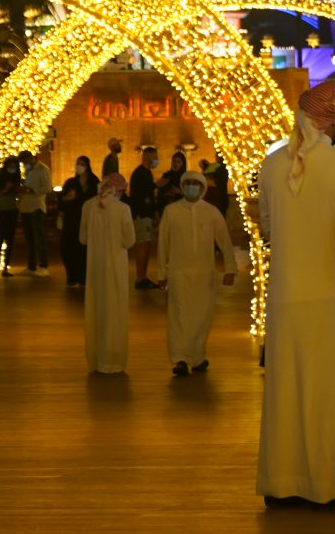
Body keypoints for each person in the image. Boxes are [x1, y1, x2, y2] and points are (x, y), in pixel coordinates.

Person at [256, 81, 335, 508]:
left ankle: (283, 482)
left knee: (287, 388)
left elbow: (267, 227)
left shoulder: (270, 168)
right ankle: (328, 483)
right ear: (331, 121)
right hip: (334, 298)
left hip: (286, 299)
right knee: (331, 392)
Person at [155, 170, 236, 376]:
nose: (192, 187)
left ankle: (197, 356)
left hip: (204, 274)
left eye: (196, 183)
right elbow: (163, 243)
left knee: (202, 316)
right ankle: (180, 358)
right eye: (188, 183)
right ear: (182, 187)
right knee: (179, 316)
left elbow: (224, 241)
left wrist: (230, 269)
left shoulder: (211, 212)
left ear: (202, 187)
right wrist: (161, 273)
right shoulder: (172, 211)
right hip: (178, 273)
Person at [82, 169, 136, 373]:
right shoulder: (123, 209)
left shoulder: (88, 207)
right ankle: (113, 361)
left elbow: (83, 238)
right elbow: (129, 240)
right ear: (119, 190)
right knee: (115, 311)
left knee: (96, 310)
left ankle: (96, 359)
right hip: (116, 267)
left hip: (94, 268)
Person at [58, 155, 95, 288]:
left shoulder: (94, 182)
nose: (79, 166)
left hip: (87, 221)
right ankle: (72, 276)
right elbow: (61, 201)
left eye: (82, 164)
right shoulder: (71, 183)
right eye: (77, 164)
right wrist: (68, 198)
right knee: (69, 248)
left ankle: (84, 277)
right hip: (71, 221)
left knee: (84, 249)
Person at [128, 145, 161, 288]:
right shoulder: (141, 173)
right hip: (142, 214)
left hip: (146, 214)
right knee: (142, 244)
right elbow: (142, 195)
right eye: (155, 157)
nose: (156, 160)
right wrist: (156, 186)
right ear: (148, 157)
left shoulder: (146, 173)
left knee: (147, 245)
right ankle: (140, 278)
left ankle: (143, 276)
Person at [0, 155, 23, 278]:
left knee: (10, 240)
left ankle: (5, 268)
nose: (13, 168)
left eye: (15, 166)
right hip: (1, 211)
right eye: (11, 166)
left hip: (12, 210)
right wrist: (4, 190)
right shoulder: (0, 176)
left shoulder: (16, 177)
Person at [19, 149, 53, 273]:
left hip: (36, 207)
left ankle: (43, 265)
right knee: (29, 239)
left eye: (25, 161)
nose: (24, 164)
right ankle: (31, 265)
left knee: (39, 237)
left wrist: (31, 190)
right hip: (25, 207)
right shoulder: (28, 171)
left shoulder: (43, 170)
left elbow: (47, 188)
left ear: (31, 158)